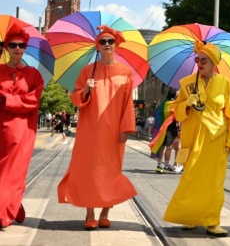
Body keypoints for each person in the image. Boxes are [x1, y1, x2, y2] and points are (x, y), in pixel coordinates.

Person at [57, 25, 137, 230]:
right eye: (103, 42)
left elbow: (128, 103)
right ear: (97, 46)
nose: (107, 44)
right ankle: (90, 214)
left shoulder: (126, 72)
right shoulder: (86, 71)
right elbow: (75, 99)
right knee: (89, 171)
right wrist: (85, 89)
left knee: (111, 171)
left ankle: (105, 214)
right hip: (90, 130)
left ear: (116, 45)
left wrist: (126, 128)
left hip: (114, 132)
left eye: (111, 41)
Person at [163, 40, 230, 237]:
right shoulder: (186, 83)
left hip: (216, 138)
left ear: (214, 62)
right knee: (190, 180)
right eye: (198, 59)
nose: (200, 63)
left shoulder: (224, 83)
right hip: (192, 137)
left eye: (204, 60)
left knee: (214, 183)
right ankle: (188, 218)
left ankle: (212, 222)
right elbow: (175, 113)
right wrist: (186, 103)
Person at [0, 24, 44, 228]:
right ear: (6, 48)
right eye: (13, 45)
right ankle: (12, 205)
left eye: (21, 45)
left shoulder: (34, 74)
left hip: (22, 129)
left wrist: (5, 99)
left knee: (13, 171)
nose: (18, 48)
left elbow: (33, 101)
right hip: (1, 127)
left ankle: (3, 215)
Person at [152, 88, 180, 173]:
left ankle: (159, 164)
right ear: (175, 95)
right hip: (172, 128)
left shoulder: (164, 103)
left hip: (164, 127)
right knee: (169, 147)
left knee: (163, 146)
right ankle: (166, 165)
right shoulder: (175, 104)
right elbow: (178, 116)